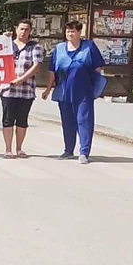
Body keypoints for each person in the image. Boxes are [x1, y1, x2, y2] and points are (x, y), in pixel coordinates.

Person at [42, 20, 106, 164]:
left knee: (84, 121)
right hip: (63, 91)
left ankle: (84, 152)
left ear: (79, 33)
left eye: (73, 31)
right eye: (68, 31)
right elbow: (53, 71)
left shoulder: (89, 47)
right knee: (67, 121)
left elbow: (97, 69)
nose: (70, 34)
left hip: (83, 91)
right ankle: (68, 150)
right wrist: (48, 89)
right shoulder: (59, 49)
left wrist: (95, 88)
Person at [0, 19, 45, 159]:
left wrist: (21, 79)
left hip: (26, 90)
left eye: (27, 29)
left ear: (30, 31)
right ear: (16, 29)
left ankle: (19, 148)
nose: (23, 32)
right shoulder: (6, 46)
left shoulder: (35, 47)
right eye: (21, 29)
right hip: (7, 89)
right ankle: (8, 149)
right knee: (8, 119)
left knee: (22, 120)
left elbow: (36, 66)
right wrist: (2, 38)